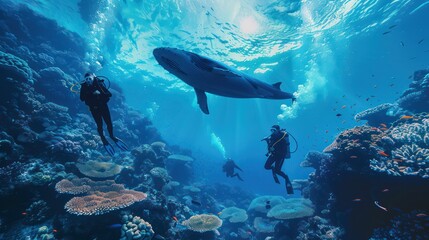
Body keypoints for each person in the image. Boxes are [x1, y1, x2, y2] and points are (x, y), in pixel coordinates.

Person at [80, 72, 128, 156]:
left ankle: (112, 137)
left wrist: (99, 91)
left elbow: (109, 94)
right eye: (86, 79)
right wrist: (89, 92)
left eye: (89, 79)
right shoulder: (84, 86)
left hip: (103, 107)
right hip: (94, 109)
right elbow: (82, 99)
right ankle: (103, 139)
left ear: (93, 78)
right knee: (100, 125)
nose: (88, 81)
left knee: (109, 123)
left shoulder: (99, 84)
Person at [262, 125, 294, 194]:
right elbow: (270, 147)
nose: (272, 131)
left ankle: (286, 177)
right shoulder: (272, 137)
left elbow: (282, 149)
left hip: (280, 156)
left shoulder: (281, 137)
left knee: (277, 171)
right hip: (273, 155)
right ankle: (273, 168)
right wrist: (267, 141)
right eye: (271, 130)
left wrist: (273, 149)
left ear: (278, 130)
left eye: (274, 130)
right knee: (266, 167)